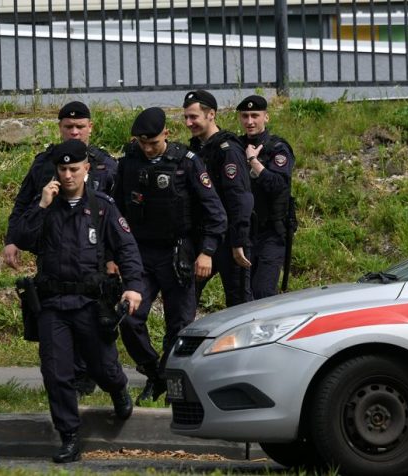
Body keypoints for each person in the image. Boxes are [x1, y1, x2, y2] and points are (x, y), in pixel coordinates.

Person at [12, 139, 144, 463]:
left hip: (89, 302)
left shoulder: (102, 207)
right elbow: (22, 238)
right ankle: (70, 435)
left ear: (87, 168)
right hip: (53, 303)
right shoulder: (45, 206)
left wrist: (134, 287)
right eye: (63, 169)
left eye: (74, 168)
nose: (68, 175)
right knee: (56, 373)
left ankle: (117, 387)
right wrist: (41, 205)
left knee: (102, 366)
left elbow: (126, 248)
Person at [3, 100, 118, 396]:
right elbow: (23, 202)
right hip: (53, 250)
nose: (75, 132)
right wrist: (12, 240)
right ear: (60, 128)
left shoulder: (106, 164)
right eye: (69, 127)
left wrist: (114, 258)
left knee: (91, 317)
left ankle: (96, 376)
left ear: (90, 127)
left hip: (94, 254)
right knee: (58, 312)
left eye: (80, 126)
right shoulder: (44, 164)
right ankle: (71, 379)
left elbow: (119, 215)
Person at [114, 107, 227, 404]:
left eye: (153, 142)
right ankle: (154, 371)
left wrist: (207, 252)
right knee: (129, 319)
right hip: (140, 255)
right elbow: (116, 212)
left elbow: (215, 212)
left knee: (179, 326)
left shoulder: (187, 163)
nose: (148, 149)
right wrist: (113, 255)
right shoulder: (129, 163)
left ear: (167, 133)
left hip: (178, 254)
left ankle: (168, 382)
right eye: (142, 143)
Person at [184, 90, 255, 307]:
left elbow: (240, 199)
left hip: (230, 239)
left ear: (211, 114)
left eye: (193, 117)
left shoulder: (228, 149)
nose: (188, 123)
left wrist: (239, 241)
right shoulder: (195, 149)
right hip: (205, 236)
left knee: (240, 304)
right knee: (185, 297)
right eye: (186, 117)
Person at [237, 95, 296, 300]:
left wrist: (253, 161)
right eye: (245, 116)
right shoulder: (236, 146)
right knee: (244, 295)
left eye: (255, 115)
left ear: (266, 117)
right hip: (244, 231)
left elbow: (279, 185)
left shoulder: (277, 148)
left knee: (263, 292)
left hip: (271, 231)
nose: (250, 121)